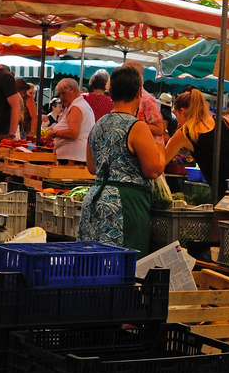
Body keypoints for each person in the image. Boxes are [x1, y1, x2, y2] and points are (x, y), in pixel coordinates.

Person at [78, 64, 166, 251]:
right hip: (125, 204)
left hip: (95, 199)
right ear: (139, 92)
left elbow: (92, 168)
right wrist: (161, 151)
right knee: (124, 265)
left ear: (111, 92)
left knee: (93, 262)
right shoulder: (137, 126)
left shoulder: (98, 124)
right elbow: (153, 170)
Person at [164, 87, 229, 187]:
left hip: (224, 188)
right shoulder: (224, 121)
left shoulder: (184, 134)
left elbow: (160, 163)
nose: (178, 121)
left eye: (176, 115)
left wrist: (161, 133)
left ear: (182, 111)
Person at [49, 78, 96, 166]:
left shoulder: (76, 107)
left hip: (74, 158)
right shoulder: (80, 104)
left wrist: (54, 133)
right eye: (59, 94)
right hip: (75, 156)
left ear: (73, 91)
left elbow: (73, 133)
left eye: (64, 93)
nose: (61, 98)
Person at [125, 61, 168, 141]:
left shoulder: (147, 100)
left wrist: (135, 125)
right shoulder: (124, 97)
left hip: (144, 147)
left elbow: (159, 129)